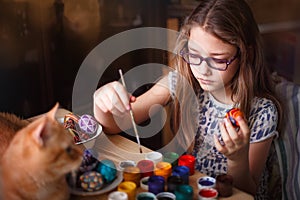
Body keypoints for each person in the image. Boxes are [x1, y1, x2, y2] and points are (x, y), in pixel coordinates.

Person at [93, 0, 283, 198]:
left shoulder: (262, 111)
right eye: (194, 55)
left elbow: (245, 193)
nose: (202, 70)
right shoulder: (181, 82)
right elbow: (114, 125)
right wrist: (102, 102)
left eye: (218, 60)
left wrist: (237, 159)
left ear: (246, 54)